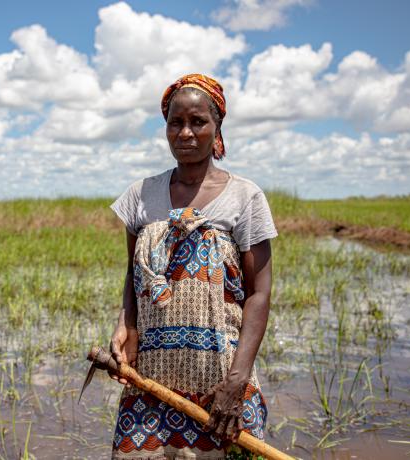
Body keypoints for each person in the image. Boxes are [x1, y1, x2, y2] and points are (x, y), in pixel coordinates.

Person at [109, 74, 278, 460]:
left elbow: (260, 293)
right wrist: (126, 325)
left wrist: (235, 382)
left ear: (217, 127)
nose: (185, 133)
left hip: (219, 380)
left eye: (197, 122)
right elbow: (133, 277)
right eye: (175, 122)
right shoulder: (141, 195)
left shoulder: (244, 196)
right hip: (152, 379)